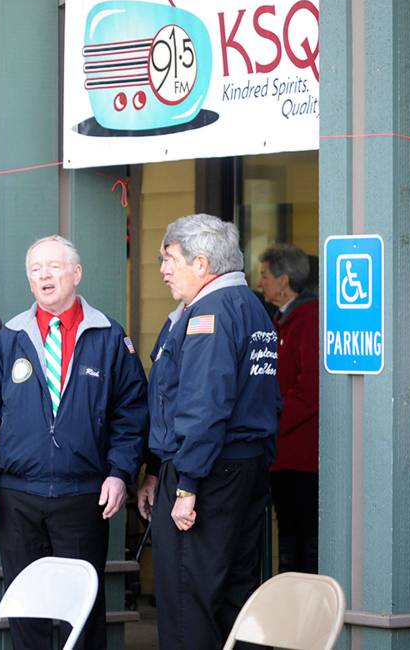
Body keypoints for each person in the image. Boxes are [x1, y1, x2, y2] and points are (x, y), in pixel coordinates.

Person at [0, 235, 148, 650]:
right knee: (27, 607)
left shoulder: (108, 336)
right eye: (35, 269)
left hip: (84, 495)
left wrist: (119, 473)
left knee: (81, 607)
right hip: (20, 496)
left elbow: (131, 415)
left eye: (54, 266)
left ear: (76, 274)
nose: (44, 275)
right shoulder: (9, 338)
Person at [136, 214, 280, 650]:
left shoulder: (209, 314)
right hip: (245, 469)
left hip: (206, 472)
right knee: (236, 597)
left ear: (201, 263)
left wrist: (187, 485)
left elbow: (204, 406)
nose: (163, 270)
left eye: (169, 259)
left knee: (189, 601)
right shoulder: (252, 307)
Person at [258, 243, 319, 573]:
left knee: (303, 538)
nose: (260, 283)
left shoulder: (308, 318)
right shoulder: (281, 319)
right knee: (289, 536)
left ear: (284, 280)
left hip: (301, 455)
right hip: (283, 452)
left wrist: (273, 421)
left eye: (265, 276)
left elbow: (309, 388)